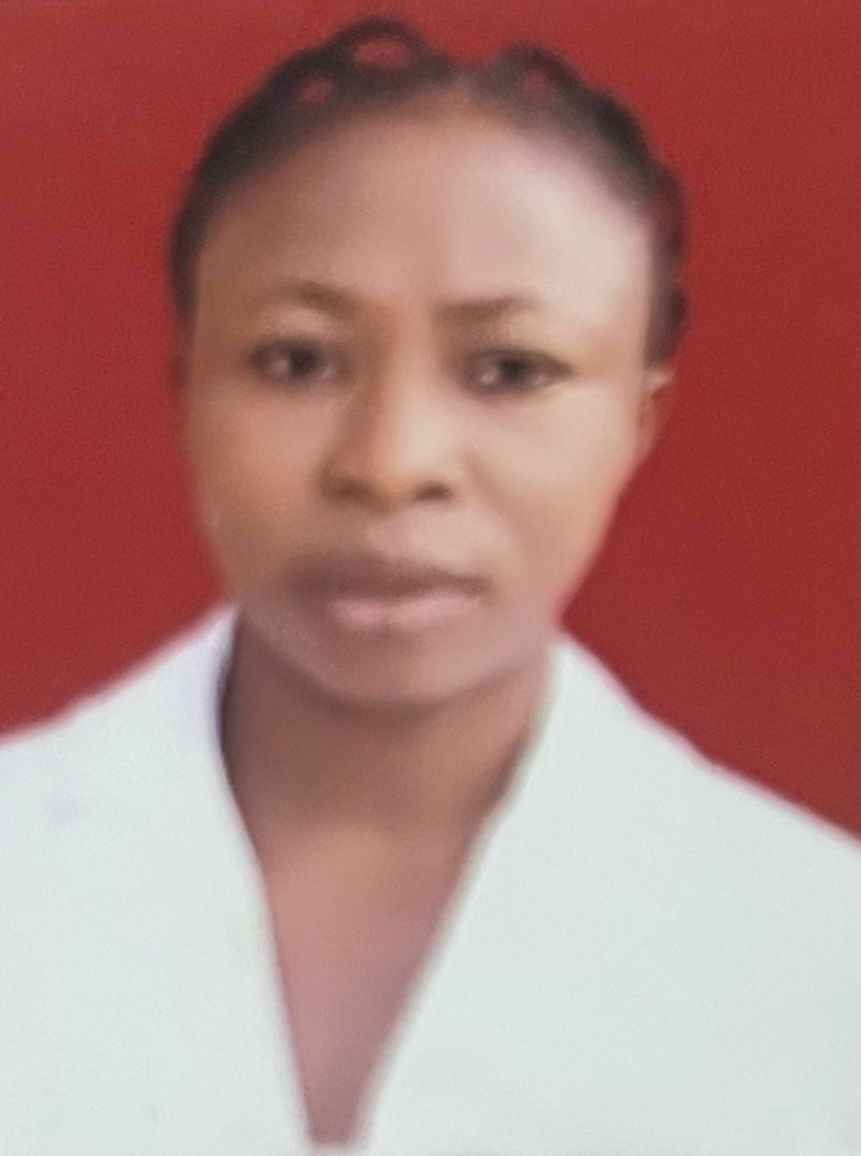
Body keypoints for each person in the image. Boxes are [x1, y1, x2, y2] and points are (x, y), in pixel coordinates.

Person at [0, 15, 857, 1156]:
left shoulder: (821, 961)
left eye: (510, 370)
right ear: (188, 388)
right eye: (298, 360)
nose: (392, 461)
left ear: (637, 422)